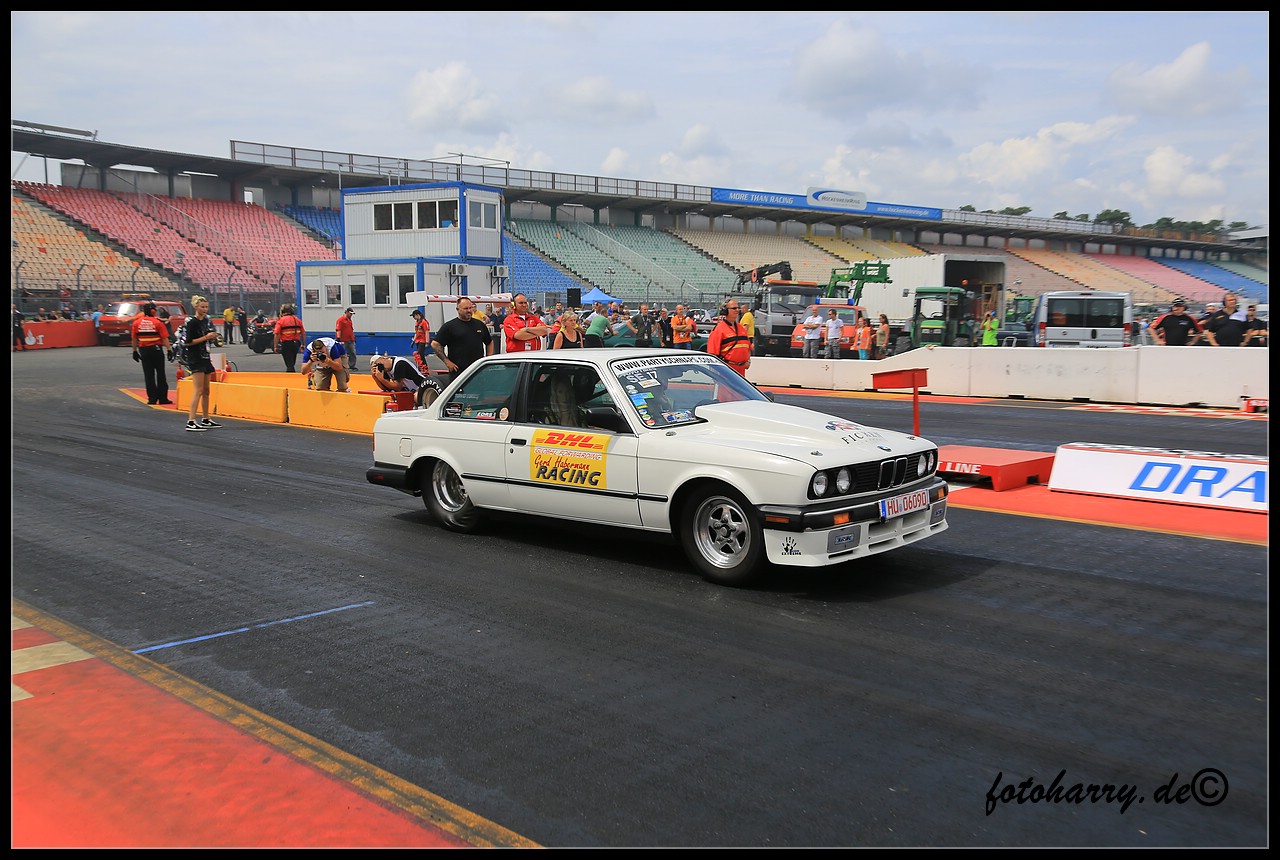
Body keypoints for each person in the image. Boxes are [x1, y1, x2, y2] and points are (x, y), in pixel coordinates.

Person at [182, 295, 223, 431]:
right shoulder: (192, 322)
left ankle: (206, 418)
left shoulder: (206, 321)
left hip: (205, 356)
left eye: (206, 307)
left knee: (206, 390)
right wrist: (205, 337)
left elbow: (208, 336)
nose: (205, 309)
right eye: (202, 307)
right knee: (198, 390)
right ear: (196, 307)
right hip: (195, 357)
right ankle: (191, 420)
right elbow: (188, 342)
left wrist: (212, 337)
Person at [431, 297, 494, 382]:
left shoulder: (479, 325)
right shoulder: (449, 326)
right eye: (465, 308)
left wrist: (487, 360)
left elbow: (489, 342)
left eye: (470, 308)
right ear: (458, 309)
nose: (469, 310)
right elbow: (435, 344)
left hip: (477, 371)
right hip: (458, 372)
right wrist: (447, 362)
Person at [130, 301, 174, 405]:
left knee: (148, 375)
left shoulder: (136, 323)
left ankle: (152, 398)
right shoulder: (158, 322)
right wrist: (169, 350)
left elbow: (134, 339)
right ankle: (163, 398)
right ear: (153, 311)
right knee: (160, 374)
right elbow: (165, 338)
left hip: (144, 350)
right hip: (156, 350)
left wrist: (134, 351)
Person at [368, 354, 440, 407]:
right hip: (410, 391)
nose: (378, 366)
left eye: (378, 364)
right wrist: (375, 377)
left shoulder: (399, 364)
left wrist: (382, 379)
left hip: (422, 387)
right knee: (392, 397)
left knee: (416, 397)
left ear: (384, 358)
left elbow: (397, 387)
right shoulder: (385, 369)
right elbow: (386, 388)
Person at [705, 299, 752, 376]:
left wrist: (748, 361)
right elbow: (712, 354)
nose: (737, 310)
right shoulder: (719, 329)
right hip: (725, 372)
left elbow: (748, 347)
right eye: (734, 308)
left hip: (741, 372)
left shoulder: (741, 328)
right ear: (725, 311)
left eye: (738, 308)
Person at [272, 303, 306, 372]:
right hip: (296, 344)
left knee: (289, 364)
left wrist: (275, 346)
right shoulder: (298, 320)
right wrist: (303, 344)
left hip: (286, 344)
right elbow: (303, 333)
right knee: (292, 362)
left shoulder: (281, 321)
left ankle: (291, 375)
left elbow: (277, 334)